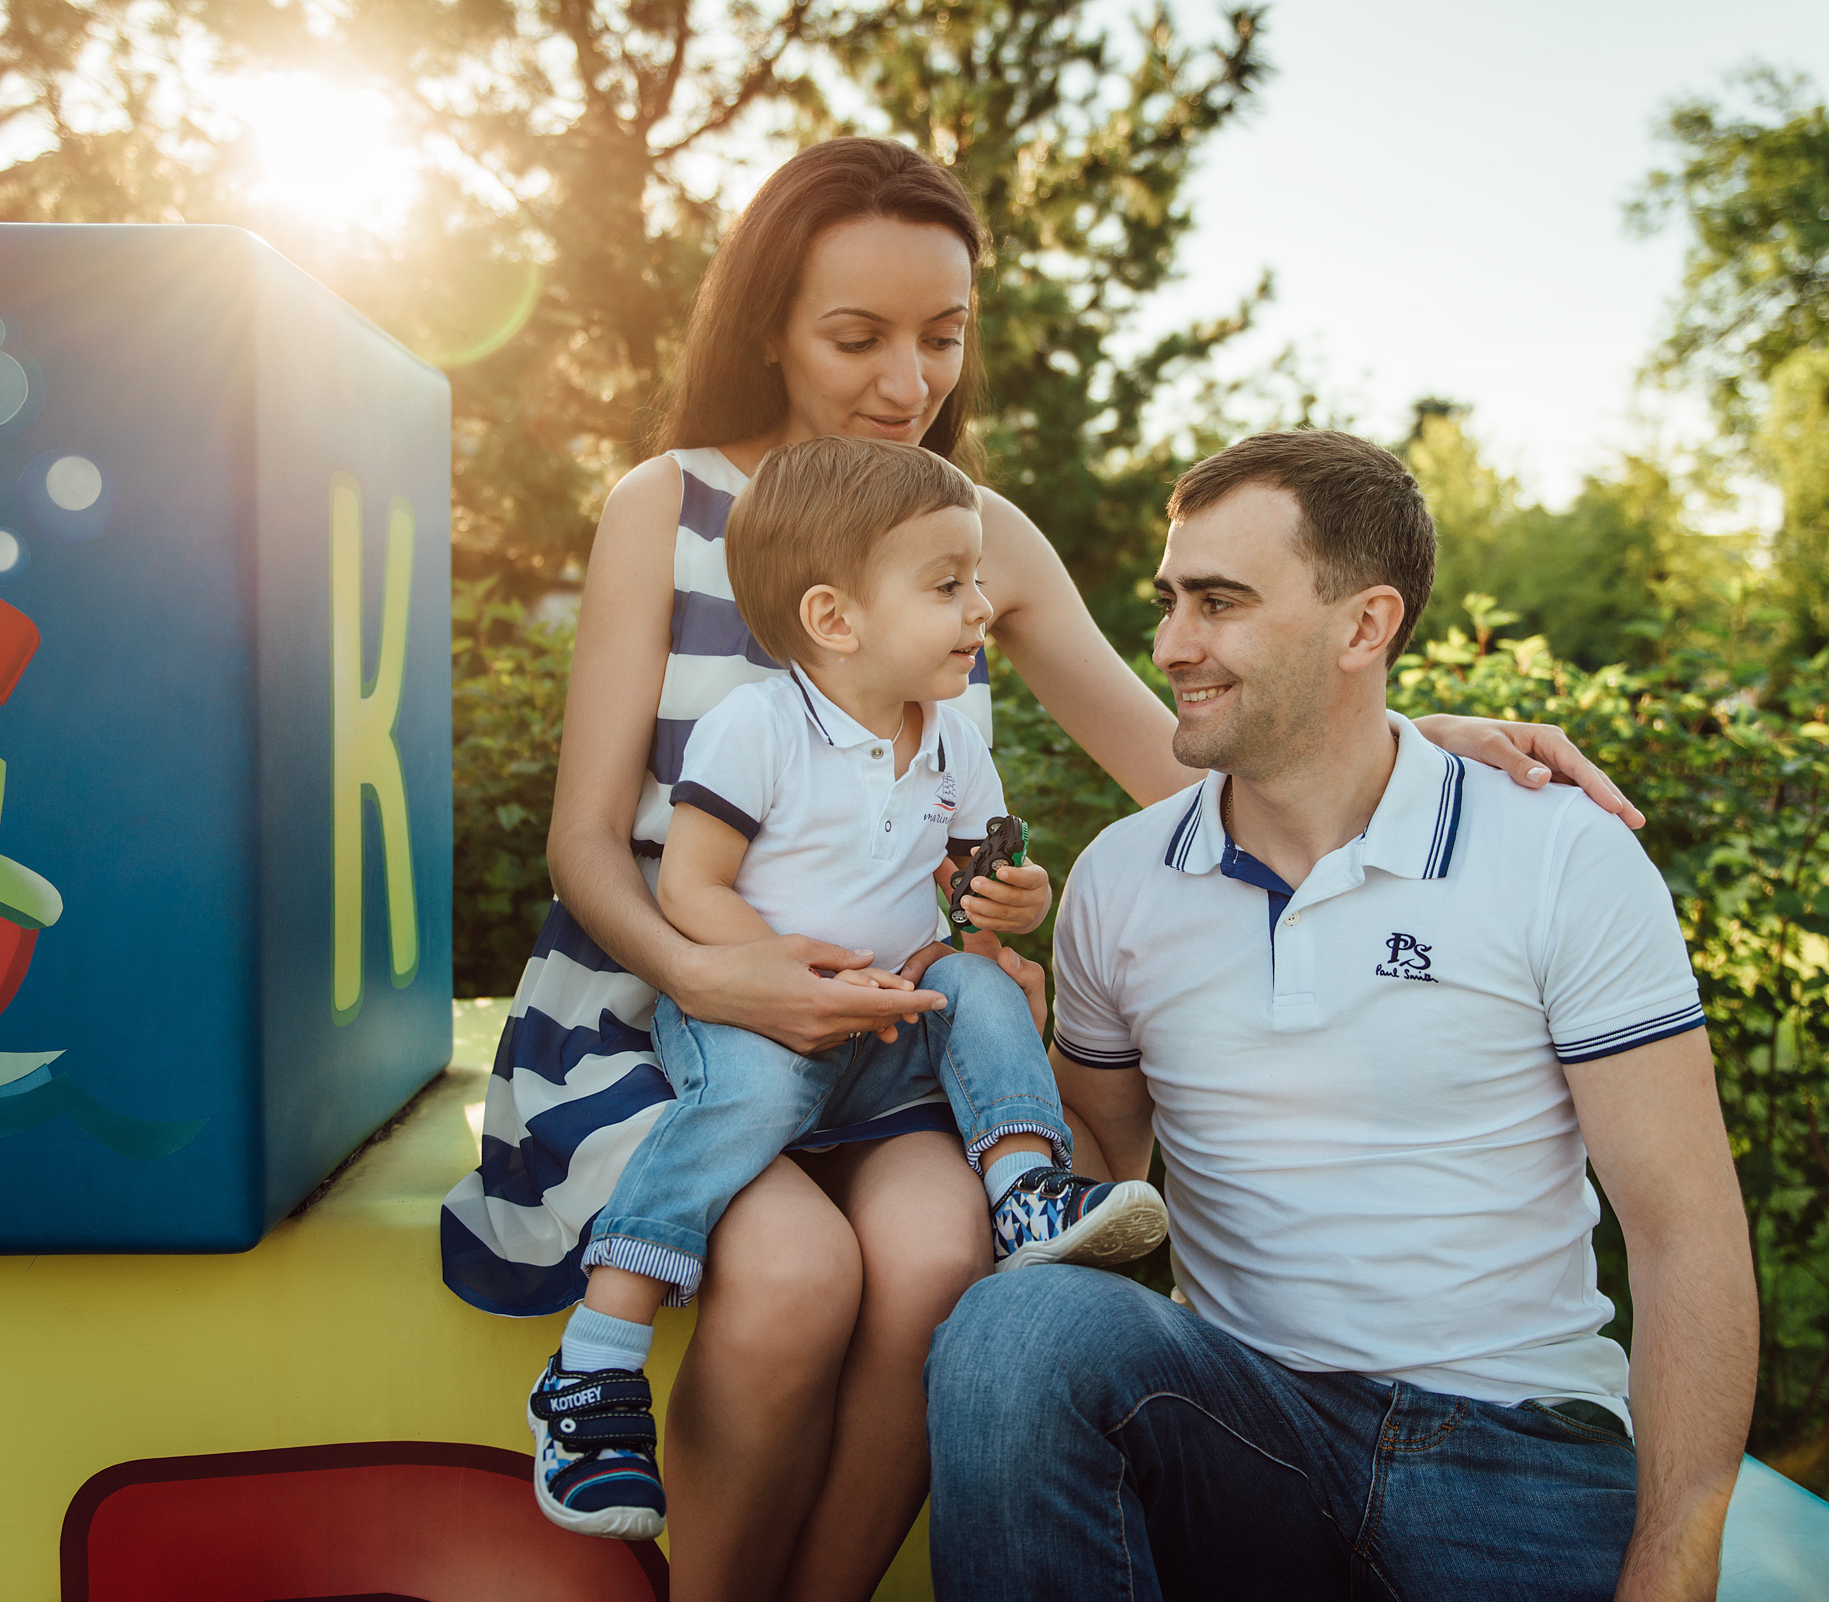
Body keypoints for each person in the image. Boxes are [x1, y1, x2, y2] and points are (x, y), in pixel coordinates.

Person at [439, 137, 1645, 1602]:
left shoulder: (979, 533)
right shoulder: (668, 504)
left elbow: (1171, 746)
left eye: (942, 338)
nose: (906, 380)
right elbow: (583, 839)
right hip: (655, 1003)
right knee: (796, 1275)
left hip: (884, 1028)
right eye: (857, 337)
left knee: (950, 1254)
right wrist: (717, 971)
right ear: (767, 325)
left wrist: (1398, 717)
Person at [925, 430, 1757, 1602]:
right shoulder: (1119, 881)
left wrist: (1673, 1571)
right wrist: (1018, 1047)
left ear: (1366, 626)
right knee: (1017, 1333)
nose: (1170, 646)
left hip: (1515, 1453)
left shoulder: (1560, 854)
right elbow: (1107, 1166)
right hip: (1246, 1431)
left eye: (1219, 603)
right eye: (1169, 601)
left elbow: (1686, 1231)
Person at [529, 435, 1168, 1538]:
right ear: (836, 619)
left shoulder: (954, 744)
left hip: (886, 1029)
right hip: (757, 1015)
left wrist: (1009, 903)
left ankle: (1026, 1191)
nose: (981, 609)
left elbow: (967, 892)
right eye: (947, 585)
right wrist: (774, 976)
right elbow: (690, 882)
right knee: (763, 1094)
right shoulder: (756, 728)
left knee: (973, 991)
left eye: (975, 579)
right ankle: (595, 1362)